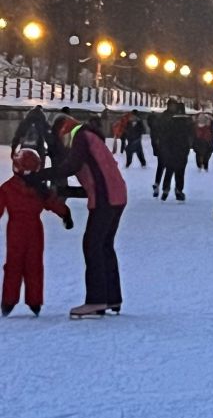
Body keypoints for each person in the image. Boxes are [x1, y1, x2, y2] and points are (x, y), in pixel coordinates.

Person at [57, 116, 128, 318]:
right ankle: (112, 296)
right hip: (117, 196)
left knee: (93, 245)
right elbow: (92, 182)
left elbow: (70, 167)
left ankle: (96, 300)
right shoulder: (90, 137)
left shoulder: (80, 137)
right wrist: (64, 191)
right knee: (104, 245)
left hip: (106, 198)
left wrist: (40, 175)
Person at [0, 148, 73, 316]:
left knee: (14, 265)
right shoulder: (39, 190)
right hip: (34, 230)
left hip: (16, 231)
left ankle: (9, 301)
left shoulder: (7, 188)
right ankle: (34, 301)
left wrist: (64, 213)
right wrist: (65, 213)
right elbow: (53, 202)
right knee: (34, 265)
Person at [157, 100, 192, 201]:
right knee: (180, 171)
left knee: (169, 170)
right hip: (182, 150)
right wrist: (188, 148)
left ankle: (165, 189)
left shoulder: (170, 122)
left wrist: (165, 147)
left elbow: (164, 135)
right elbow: (191, 136)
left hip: (171, 149)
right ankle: (178, 190)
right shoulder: (187, 122)